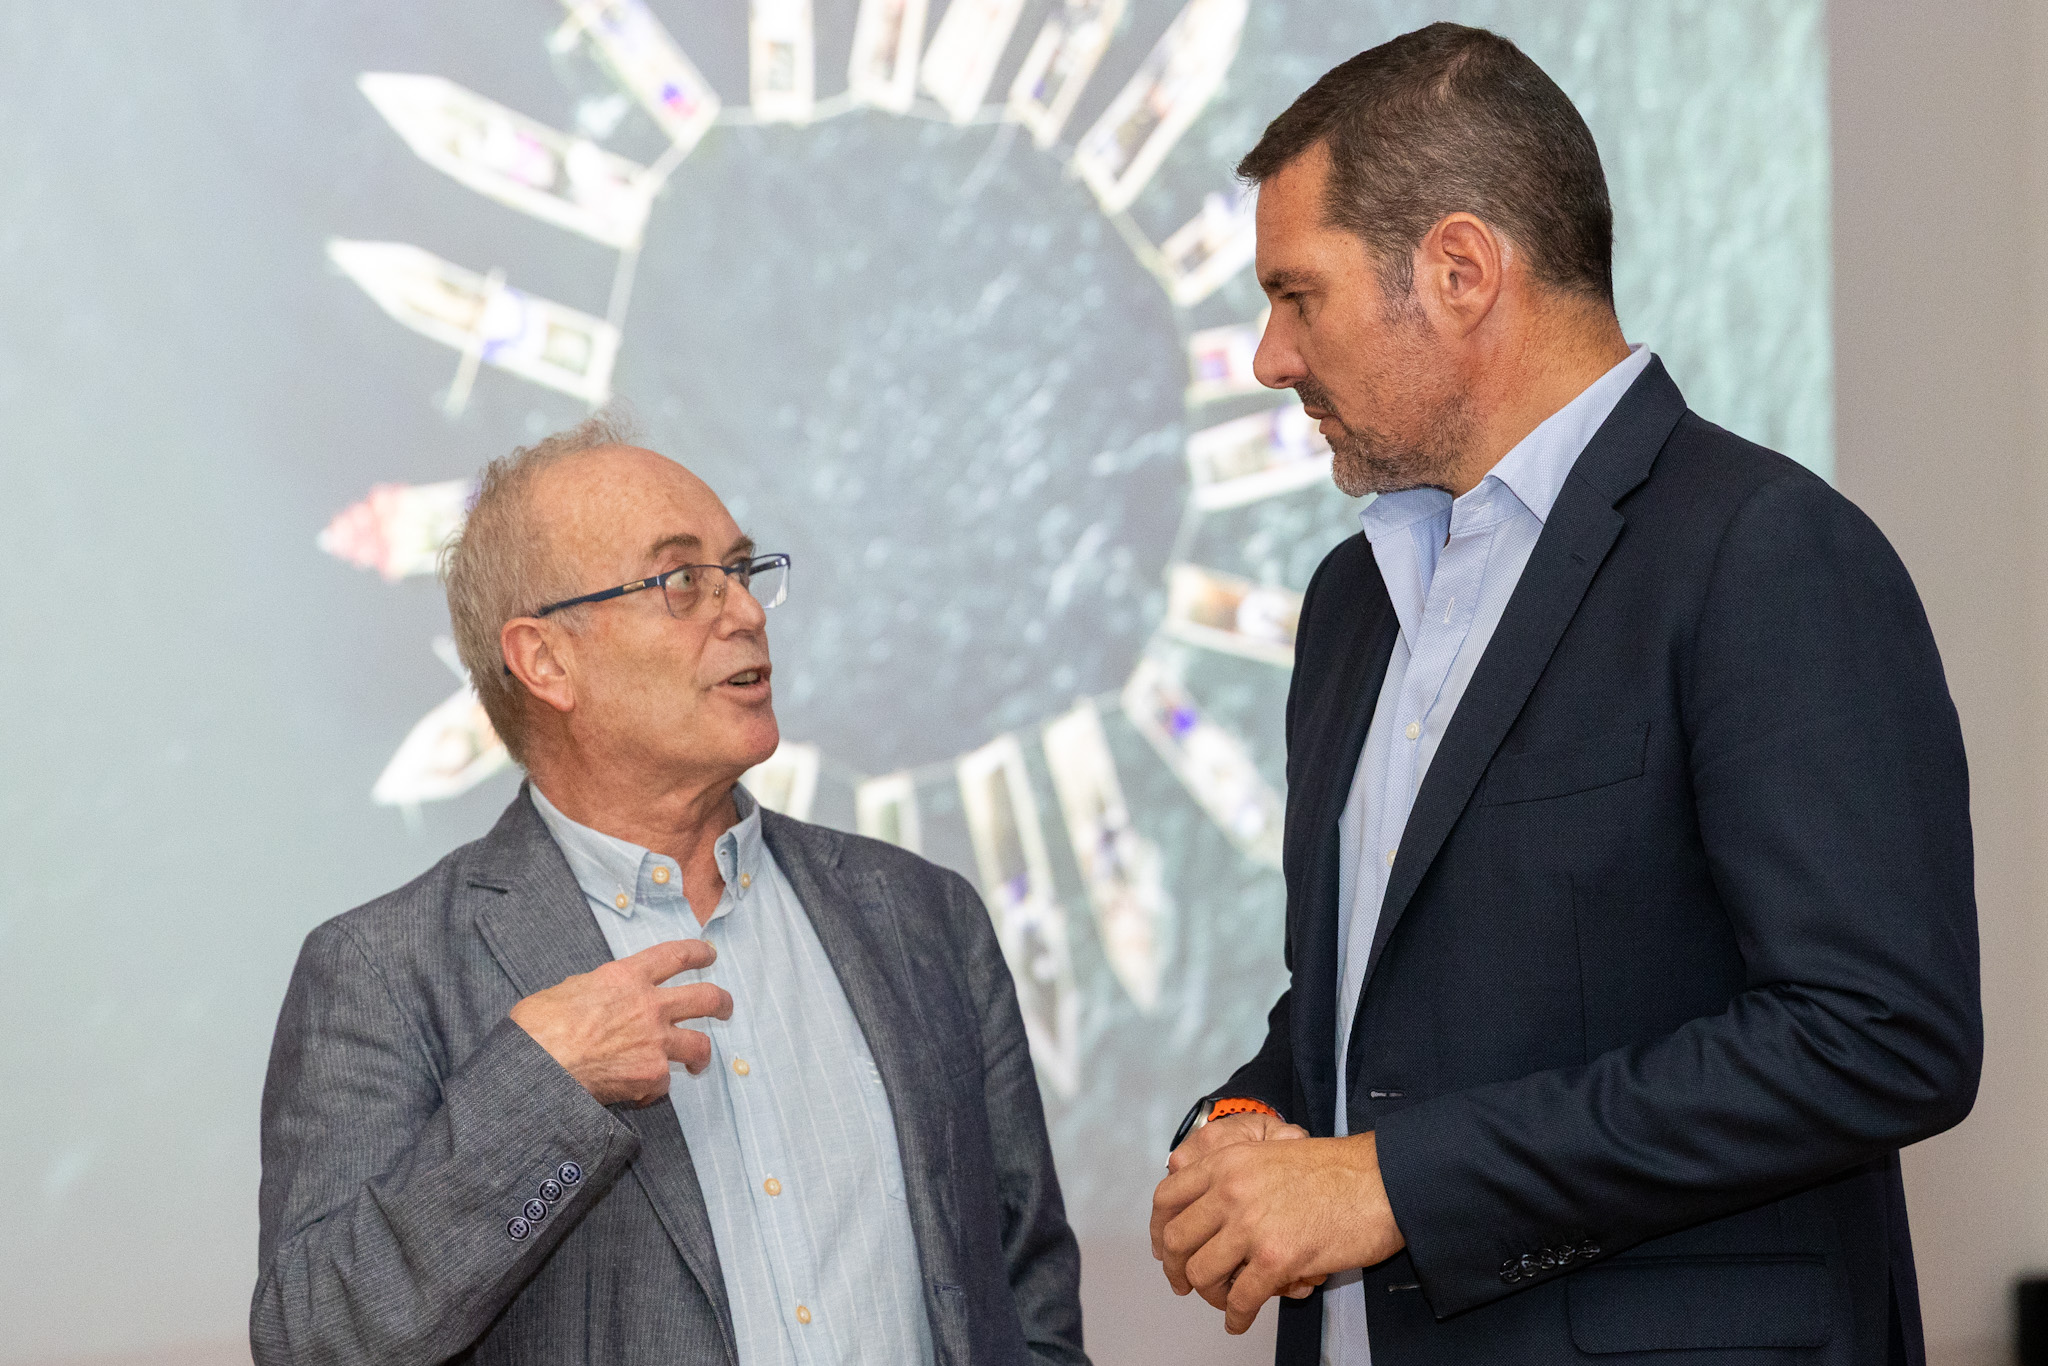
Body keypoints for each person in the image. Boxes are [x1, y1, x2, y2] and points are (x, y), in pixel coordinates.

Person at [1150, 23, 1979, 1366]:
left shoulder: (1762, 550)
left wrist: (1395, 1182)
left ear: (1460, 270)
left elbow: (1876, 1035)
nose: (1268, 358)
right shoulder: (1353, 601)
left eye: (1297, 295)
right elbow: (1374, 1015)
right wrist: (1254, 1119)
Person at [253, 415, 1087, 1366]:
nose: (747, 612)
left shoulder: (921, 916)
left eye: (742, 569)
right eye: (684, 581)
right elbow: (317, 1340)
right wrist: (543, 1090)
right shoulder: (384, 971)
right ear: (546, 660)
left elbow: (1028, 1297)